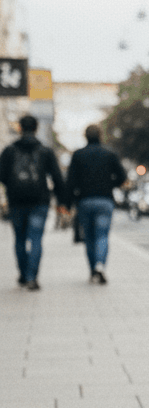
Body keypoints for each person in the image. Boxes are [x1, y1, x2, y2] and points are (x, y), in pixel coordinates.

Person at [0, 114, 66, 290]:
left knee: (19, 239)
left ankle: (22, 274)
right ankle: (32, 277)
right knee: (36, 239)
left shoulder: (9, 151)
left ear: (20, 128)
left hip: (16, 201)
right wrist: (62, 201)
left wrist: (12, 188)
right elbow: (57, 178)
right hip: (39, 202)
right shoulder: (45, 151)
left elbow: (2, 176)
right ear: (36, 128)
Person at [66, 124, 128, 283]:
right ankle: (100, 265)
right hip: (104, 200)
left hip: (85, 200)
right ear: (101, 135)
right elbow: (122, 177)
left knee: (89, 237)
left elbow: (70, 181)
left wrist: (68, 202)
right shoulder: (110, 154)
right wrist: (109, 184)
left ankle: (93, 269)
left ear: (85, 136)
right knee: (102, 235)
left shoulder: (78, 155)